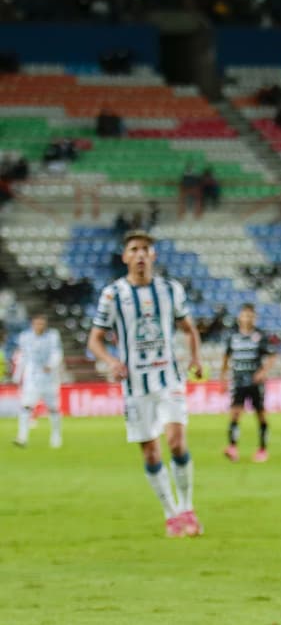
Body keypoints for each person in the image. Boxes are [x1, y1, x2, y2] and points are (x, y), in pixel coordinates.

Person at [86, 229, 205, 537]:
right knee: (151, 452)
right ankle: (170, 513)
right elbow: (95, 339)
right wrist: (111, 361)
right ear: (126, 257)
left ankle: (188, 507)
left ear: (153, 256)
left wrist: (196, 358)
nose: (140, 254)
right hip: (135, 386)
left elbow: (189, 328)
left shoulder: (170, 290)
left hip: (169, 378)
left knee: (177, 442)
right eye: (134, 249)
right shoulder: (113, 295)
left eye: (145, 249)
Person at [220, 303, 275, 463]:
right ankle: (232, 447)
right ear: (239, 317)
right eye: (245, 315)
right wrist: (223, 378)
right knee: (235, 413)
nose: (247, 318)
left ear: (255, 318)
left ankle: (263, 449)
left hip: (255, 381)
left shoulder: (260, 336)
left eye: (250, 316)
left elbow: (272, 356)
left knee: (261, 415)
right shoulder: (232, 337)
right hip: (238, 380)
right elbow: (226, 357)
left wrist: (263, 372)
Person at [12, 313, 64, 448]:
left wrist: (51, 365)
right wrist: (17, 376)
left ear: (45, 324)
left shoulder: (53, 336)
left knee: (53, 409)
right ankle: (22, 437)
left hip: (50, 379)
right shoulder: (25, 337)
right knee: (26, 406)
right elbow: (22, 357)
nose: (39, 326)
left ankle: (56, 436)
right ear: (32, 324)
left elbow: (57, 353)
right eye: (37, 323)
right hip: (32, 379)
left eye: (41, 323)